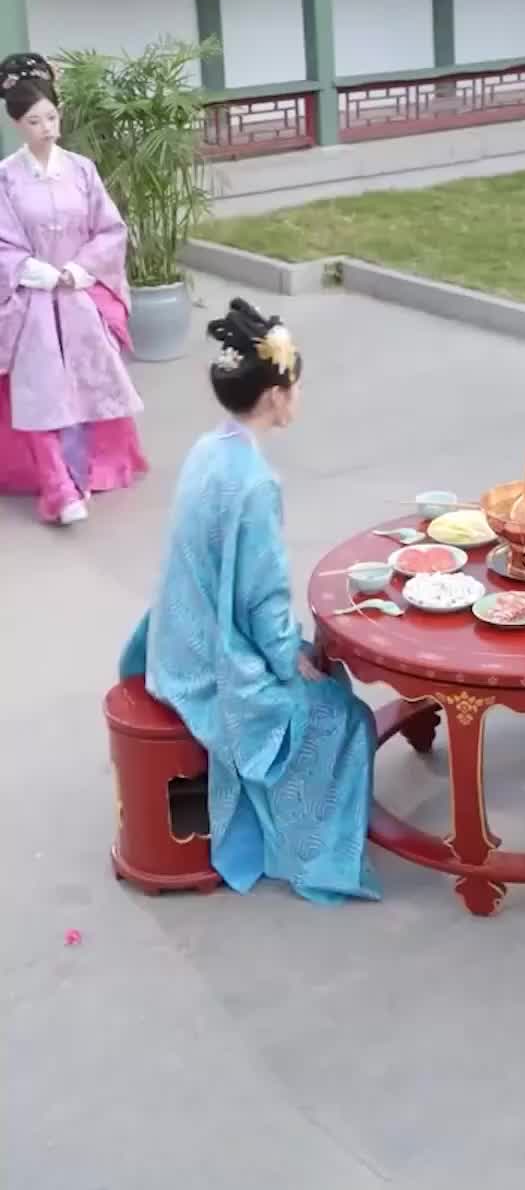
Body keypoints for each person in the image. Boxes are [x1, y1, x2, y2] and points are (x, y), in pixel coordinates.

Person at [120, 297, 381, 905]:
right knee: (343, 716)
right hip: (212, 662)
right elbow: (262, 598)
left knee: (320, 676)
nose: (299, 395)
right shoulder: (254, 482)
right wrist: (291, 659)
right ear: (275, 395)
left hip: (178, 637)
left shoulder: (209, 449)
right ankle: (309, 851)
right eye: (296, 386)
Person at [0, 51, 146, 525]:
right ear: (17, 124)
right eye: (34, 121)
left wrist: (79, 270)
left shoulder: (82, 170)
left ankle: (87, 472)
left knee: (86, 386)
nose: (46, 128)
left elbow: (110, 229)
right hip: (31, 302)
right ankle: (59, 489)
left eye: (51, 117)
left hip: (77, 294)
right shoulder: (5, 178)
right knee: (40, 392)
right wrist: (33, 271)